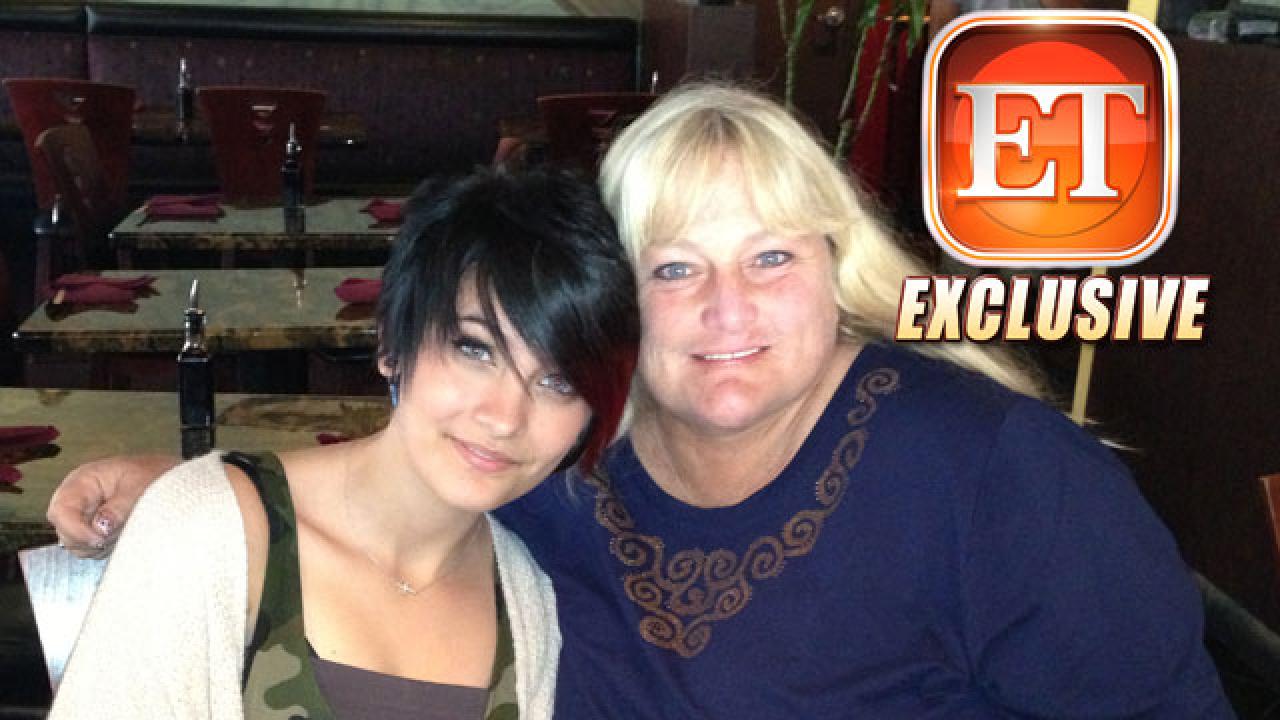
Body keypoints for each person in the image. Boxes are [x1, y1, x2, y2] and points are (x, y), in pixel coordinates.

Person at [48, 83, 1231, 717]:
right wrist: (215, 494)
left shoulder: (1001, 475)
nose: (726, 310)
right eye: (673, 269)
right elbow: (444, 444)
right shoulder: (570, 453)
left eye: (770, 257)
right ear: (611, 304)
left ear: (837, 268)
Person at [46, 167, 640, 720]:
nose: (505, 417)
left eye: (559, 382)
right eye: (475, 349)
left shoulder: (528, 599)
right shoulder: (212, 535)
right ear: (391, 344)